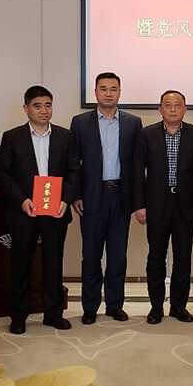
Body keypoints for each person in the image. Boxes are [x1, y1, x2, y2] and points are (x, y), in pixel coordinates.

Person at [0, 86, 79, 335]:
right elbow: (4, 175)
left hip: (55, 211)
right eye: (37, 105)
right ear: (26, 108)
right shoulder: (12, 137)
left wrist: (65, 200)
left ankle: (53, 313)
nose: (44, 110)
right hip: (25, 211)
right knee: (20, 264)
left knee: (53, 263)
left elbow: (74, 172)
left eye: (48, 105)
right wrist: (22, 200)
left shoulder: (65, 136)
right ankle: (18, 316)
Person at [70, 72, 142, 325]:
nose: (108, 93)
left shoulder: (133, 123)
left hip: (120, 195)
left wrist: (137, 200)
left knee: (117, 255)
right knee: (91, 255)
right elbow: (73, 163)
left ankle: (114, 305)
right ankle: (90, 306)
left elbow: (137, 165)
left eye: (113, 88)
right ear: (95, 92)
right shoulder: (80, 122)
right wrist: (76, 195)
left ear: (120, 92)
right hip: (91, 196)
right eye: (103, 88)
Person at [132, 90, 193, 324]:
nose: (173, 109)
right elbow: (138, 172)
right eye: (168, 105)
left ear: (185, 109)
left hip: (186, 205)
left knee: (182, 259)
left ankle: (178, 306)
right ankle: (156, 307)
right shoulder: (146, 134)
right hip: (156, 205)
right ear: (160, 109)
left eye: (177, 105)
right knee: (156, 258)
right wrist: (139, 205)